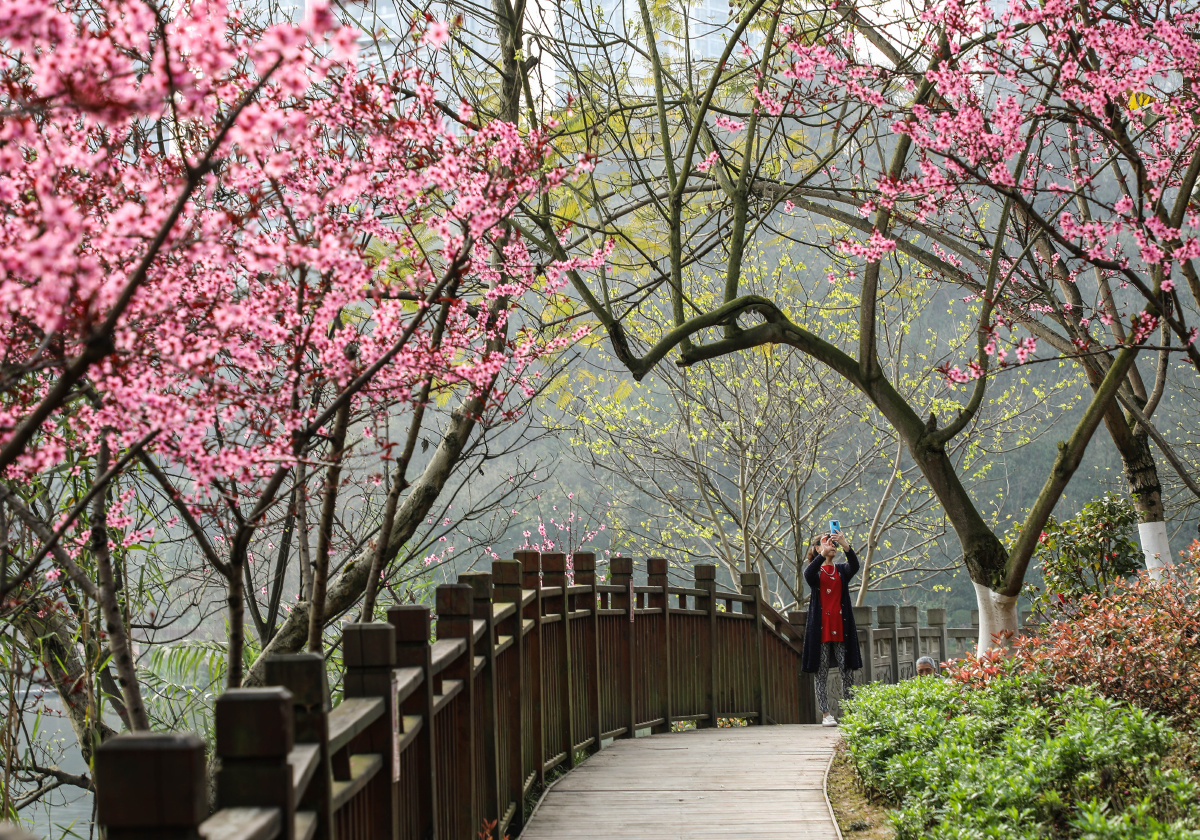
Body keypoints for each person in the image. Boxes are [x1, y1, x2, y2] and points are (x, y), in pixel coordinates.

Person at [801, 530, 862, 727]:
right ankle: (826, 714)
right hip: (821, 631)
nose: (831, 546)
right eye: (826, 543)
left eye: (833, 543)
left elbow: (855, 565)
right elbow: (807, 574)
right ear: (817, 548)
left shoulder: (842, 570)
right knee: (822, 671)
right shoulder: (816, 573)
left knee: (846, 669)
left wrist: (845, 544)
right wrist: (821, 555)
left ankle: (850, 712)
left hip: (841, 628)